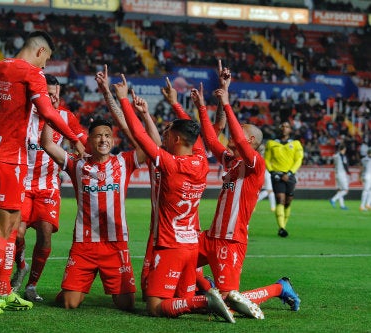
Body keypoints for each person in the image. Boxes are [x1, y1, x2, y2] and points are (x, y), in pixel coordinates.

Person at [0, 30, 85, 316]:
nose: (45, 67)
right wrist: (75, 139)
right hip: (9, 160)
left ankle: (3, 293)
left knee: (14, 225)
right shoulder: (31, 74)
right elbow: (49, 114)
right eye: (47, 60)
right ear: (40, 52)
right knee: (2, 229)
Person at [117, 74, 234, 322]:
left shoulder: (170, 164)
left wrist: (124, 100)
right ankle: (200, 300)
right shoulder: (201, 160)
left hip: (171, 246)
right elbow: (198, 135)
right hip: (192, 246)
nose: (165, 136)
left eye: (169, 133)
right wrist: (178, 104)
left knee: (154, 306)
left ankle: (205, 299)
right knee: (179, 300)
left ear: (177, 139)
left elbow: (140, 136)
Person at [192, 67, 300, 317]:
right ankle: (207, 287)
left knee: (231, 301)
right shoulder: (231, 161)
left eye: (241, 130)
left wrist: (227, 103)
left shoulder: (256, 166)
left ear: (250, 140)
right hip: (210, 237)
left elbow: (238, 140)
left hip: (231, 241)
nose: (235, 131)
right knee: (180, 259)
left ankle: (279, 287)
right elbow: (210, 141)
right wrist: (201, 106)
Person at [41, 69, 147, 310]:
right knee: (70, 303)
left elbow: (147, 143)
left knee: (127, 305)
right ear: (88, 141)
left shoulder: (124, 162)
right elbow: (47, 143)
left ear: (113, 141)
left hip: (116, 243)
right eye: (98, 136)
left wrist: (111, 95)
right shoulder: (77, 165)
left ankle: (86, 287)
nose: (103, 140)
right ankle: (73, 290)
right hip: (84, 245)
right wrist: (52, 110)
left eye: (108, 136)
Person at [10, 73, 88, 302]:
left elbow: (83, 142)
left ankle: (32, 286)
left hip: (49, 186)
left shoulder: (66, 116)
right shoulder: (24, 114)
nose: (54, 99)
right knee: (17, 234)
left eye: (57, 95)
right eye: (49, 95)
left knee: (45, 236)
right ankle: (21, 266)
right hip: (22, 184)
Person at [264, 121, 304, 237]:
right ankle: (281, 228)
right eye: (282, 126)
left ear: (290, 130)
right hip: (277, 175)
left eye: (287, 126)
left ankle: (283, 226)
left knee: (288, 202)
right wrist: (272, 172)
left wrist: (291, 172)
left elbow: (299, 159)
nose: (284, 128)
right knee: (280, 199)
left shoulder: (296, 143)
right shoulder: (271, 143)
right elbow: (266, 159)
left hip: (290, 175)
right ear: (279, 129)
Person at [329, 144, 350, 210]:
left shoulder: (335, 156)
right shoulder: (342, 156)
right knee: (345, 190)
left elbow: (332, 164)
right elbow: (345, 165)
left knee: (340, 190)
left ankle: (342, 205)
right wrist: (348, 172)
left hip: (336, 174)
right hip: (342, 174)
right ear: (343, 149)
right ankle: (333, 199)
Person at [257, 145, 276, 212]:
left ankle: (273, 207)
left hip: (263, 171)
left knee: (270, 191)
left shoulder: (258, 153)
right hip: (266, 171)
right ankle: (255, 201)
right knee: (270, 190)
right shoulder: (266, 153)